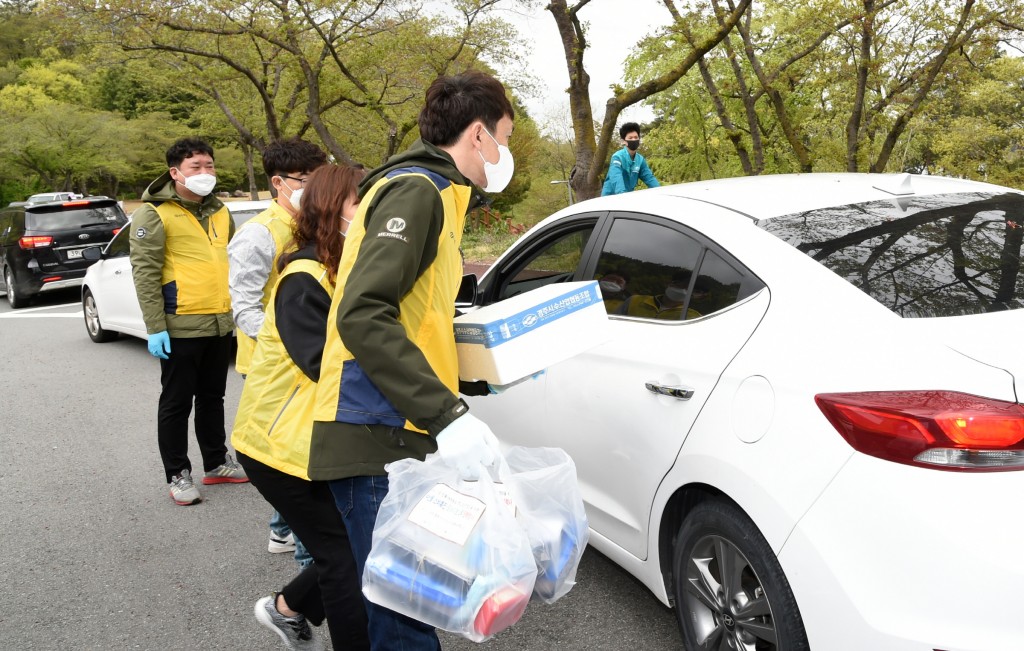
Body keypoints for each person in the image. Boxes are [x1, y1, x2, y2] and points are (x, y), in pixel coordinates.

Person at [308, 70, 514, 651]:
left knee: (410, 607)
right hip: (373, 431)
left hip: (393, 429)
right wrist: (446, 414)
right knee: (407, 615)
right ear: (478, 135)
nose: (506, 153)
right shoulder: (417, 191)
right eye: (504, 136)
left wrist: (473, 373)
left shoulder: (438, 197)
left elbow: (414, 321)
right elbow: (363, 314)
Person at [231, 164, 369, 651]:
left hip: (317, 439)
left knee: (353, 546)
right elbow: (325, 367)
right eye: (360, 206)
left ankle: (285, 609)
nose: (368, 217)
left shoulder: (344, 267)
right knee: (344, 556)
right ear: (334, 211)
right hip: (277, 447)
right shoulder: (304, 277)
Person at [129, 137, 247, 506]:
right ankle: (178, 474)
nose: (205, 173)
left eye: (209, 165)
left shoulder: (220, 211)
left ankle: (215, 462)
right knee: (177, 401)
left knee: (213, 396)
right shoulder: (154, 213)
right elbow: (145, 272)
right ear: (175, 172)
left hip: (218, 321)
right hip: (179, 322)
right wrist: (155, 326)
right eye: (196, 167)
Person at [228, 137, 328, 567]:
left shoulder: (316, 222)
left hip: (310, 364)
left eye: (317, 178)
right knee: (296, 463)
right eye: (305, 180)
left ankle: (282, 529)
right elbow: (244, 307)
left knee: (296, 459)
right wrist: (286, 338)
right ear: (278, 183)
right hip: (273, 372)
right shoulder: (258, 234)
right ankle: (312, 565)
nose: (313, 187)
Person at [601, 121, 660, 196]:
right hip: (610, 197)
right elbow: (616, 177)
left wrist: (659, 191)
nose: (633, 140)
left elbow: (649, 178)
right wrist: (623, 195)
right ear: (623, 141)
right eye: (630, 138)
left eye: (636, 137)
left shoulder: (640, 160)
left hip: (627, 197)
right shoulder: (617, 157)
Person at [618, 274, 701, 320]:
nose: (682, 289)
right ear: (668, 283)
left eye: (688, 288)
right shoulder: (635, 300)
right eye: (678, 284)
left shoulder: (694, 317)